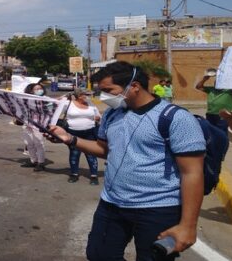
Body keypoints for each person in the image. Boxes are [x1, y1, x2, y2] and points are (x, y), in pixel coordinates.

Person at [47, 61, 205, 260]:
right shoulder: (113, 114)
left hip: (157, 208)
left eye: (108, 90)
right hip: (111, 204)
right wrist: (69, 139)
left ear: (135, 86)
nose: (103, 96)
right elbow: (104, 149)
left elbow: (192, 173)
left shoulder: (175, 118)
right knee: (98, 254)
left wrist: (188, 226)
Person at [65, 88, 101, 185]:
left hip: (90, 133)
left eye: (85, 94)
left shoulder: (90, 104)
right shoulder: (68, 104)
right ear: (77, 96)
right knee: (74, 154)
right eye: (82, 95)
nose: (85, 96)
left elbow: (98, 116)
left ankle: (94, 176)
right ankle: (74, 174)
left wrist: (97, 118)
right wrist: (64, 96)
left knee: (91, 154)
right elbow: (52, 106)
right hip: (73, 133)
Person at [19, 83, 48, 171]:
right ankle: (33, 161)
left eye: (40, 88)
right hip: (27, 125)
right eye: (36, 89)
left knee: (39, 144)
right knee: (29, 144)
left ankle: (41, 163)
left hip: (39, 125)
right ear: (31, 91)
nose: (39, 90)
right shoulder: (27, 99)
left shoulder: (45, 99)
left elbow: (52, 107)